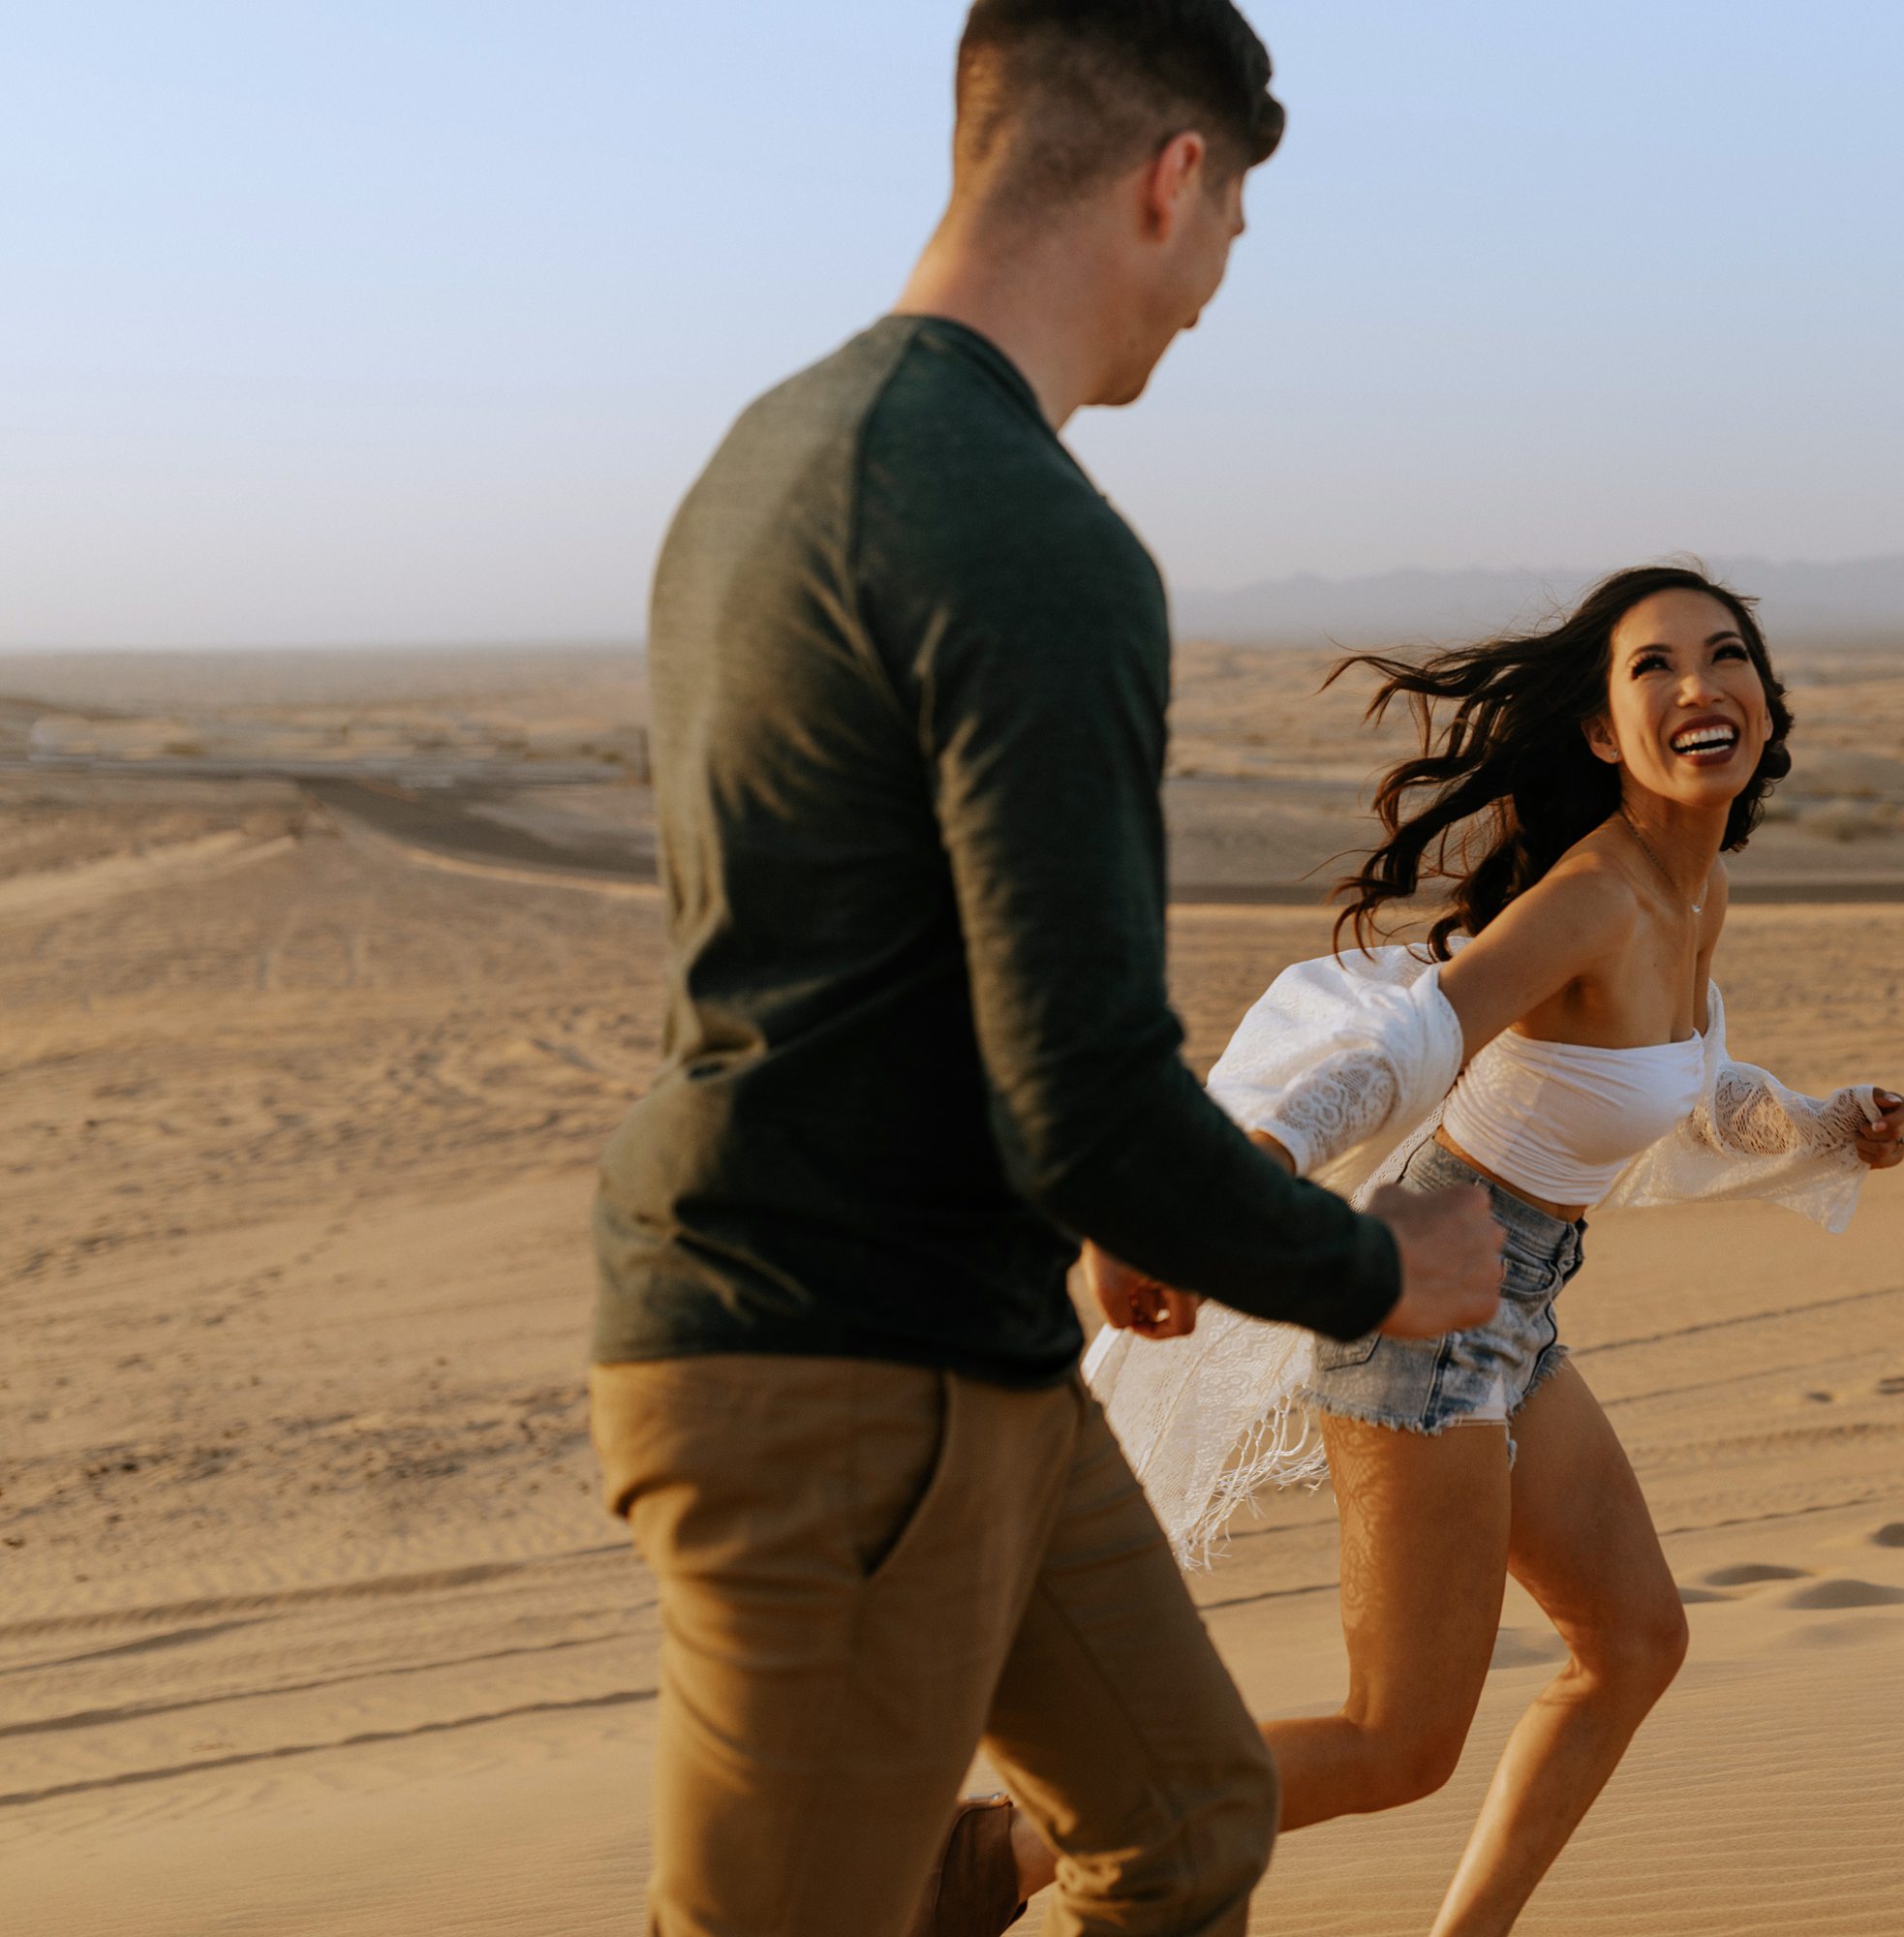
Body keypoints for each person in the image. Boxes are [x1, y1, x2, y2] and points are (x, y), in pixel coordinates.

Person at [583, 6, 1504, 1934]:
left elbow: (892, 957)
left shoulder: (772, 456)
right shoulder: (1030, 536)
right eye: (1233, 235)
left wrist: (1083, 1195)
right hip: (831, 1367)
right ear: (1175, 179)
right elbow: (1082, 1071)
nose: (1210, 298)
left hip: (973, 1343)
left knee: (1185, 1816)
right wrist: (1375, 1270)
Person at [949, 564, 1904, 1936]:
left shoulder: (1691, 898)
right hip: (1426, 1306)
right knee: (1395, 1743)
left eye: (1725, 655)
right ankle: (1005, 1855)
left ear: (1765, 698)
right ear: (1600, 733)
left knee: (1634, 1644)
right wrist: (1245, 1184)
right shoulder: (1595, 899)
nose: (1699, 685)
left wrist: (1830, 1123)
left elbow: (1686, 1087)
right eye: (1652, 667)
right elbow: (1411, 1048)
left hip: (1514, 1311)